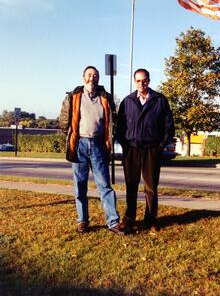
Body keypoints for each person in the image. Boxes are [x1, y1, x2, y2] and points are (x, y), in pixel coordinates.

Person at [59, 65, 123, 235]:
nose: (92, 78)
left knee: (105, 186)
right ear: (83, 77)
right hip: (79, 144)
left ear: (98, 78)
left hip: (99, 145)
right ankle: (82, 221)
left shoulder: (106, 98)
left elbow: (112, 123)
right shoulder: (74, 96)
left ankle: (113, 222)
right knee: (80, 186)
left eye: (95, 75)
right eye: (89, 75)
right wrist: (73, 135)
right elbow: (63, 122)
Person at [116, 68, 175, 233]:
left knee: (151, 187)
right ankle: (129, 219)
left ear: (148, 80)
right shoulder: (127, 101)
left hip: (151, 150)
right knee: (131, 186)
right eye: (138, 80)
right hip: (131, 150)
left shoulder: (159, 100)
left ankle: (151, 219)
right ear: (134, 81)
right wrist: (125, 144)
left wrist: (159, 147)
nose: (141, 83)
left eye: (144, 80)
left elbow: (169, 127)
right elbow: (119, 128)